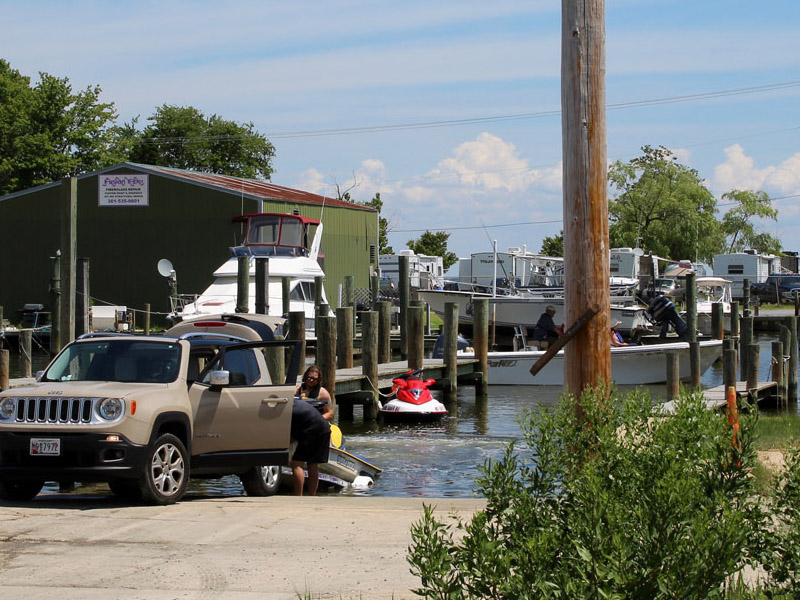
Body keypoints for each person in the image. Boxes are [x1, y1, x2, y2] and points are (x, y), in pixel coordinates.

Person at [289, 398, 331, 496]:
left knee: (296, 464)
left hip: (311, 429)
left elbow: (291, 436)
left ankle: (298, 497)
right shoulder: (296, 404)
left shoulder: (287, 411)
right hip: (324, 428)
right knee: (312, 464)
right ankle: (312, 496)